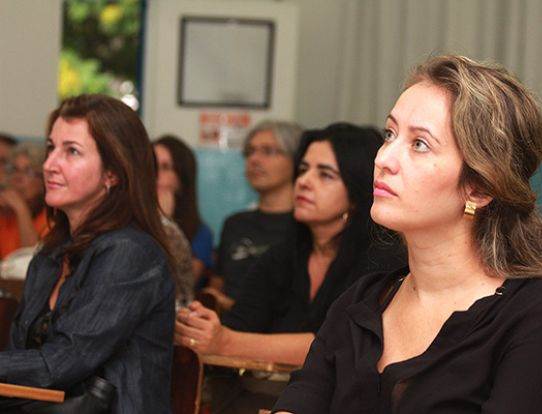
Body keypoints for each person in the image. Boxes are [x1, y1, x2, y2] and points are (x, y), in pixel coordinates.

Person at [273, 55, 542, 413]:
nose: (383, 159)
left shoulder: (539, 312)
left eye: (419, 144)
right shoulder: (360, 303)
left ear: (479, 188)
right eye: (389, 134)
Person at [175, 123, 406, 413]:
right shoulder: (282, 255)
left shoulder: (382, 261)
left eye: (325, 175)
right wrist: (202, 328)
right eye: (303, 170)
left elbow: (335, 346)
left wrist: (226, 341)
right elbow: (240, 323)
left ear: (355, 193)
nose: (304, 182)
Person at [0, 94, 176, 413]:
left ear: (113, 173)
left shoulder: (130, 253)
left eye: (72, 151)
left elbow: (62, 362)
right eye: (51, 148)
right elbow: (20, 356)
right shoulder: (51, 254)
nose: (49, 165)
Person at [213, 120, 302, 304]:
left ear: (296, 160)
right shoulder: (235, 223)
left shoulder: (306, 225)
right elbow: (218, 285)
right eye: (250, 151)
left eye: (268, 151)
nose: (254, 160)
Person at [154, 135, 214, 282]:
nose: (154, 174)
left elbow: (183, 283)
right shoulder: (127, 220)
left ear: (181, 179)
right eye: (150, 165)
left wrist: (164, 222)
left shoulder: (201, 233)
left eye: (165, 167)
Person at [0, 142, 49, 259]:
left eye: (28, 172)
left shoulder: (53, 218)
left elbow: (31, 261)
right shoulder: (5, 213)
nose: (18, 177)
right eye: (14, 170)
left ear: (43, 181)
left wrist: (21, 209)